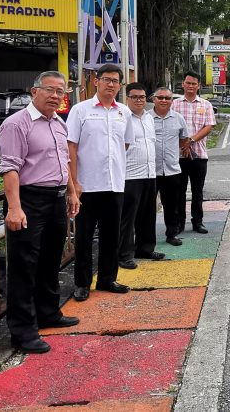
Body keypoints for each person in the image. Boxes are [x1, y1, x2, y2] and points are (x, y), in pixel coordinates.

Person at [0, 70, 81, 354]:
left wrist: (70, 191)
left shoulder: (58, 123)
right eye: (50, 90)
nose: (56, 96)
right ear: (34, 91)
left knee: (49, 260)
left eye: (61, 92)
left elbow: (64, 162)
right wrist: (15, 207)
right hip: (29, 200)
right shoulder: (16, 124)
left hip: (56, 198)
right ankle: (22, 331)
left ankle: (49, 313)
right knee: (24, 266)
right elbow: (9, 167)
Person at [67, 64, 134, 301]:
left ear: (119, 85)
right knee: (84, 236)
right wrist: (74, 182)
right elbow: (71, 147)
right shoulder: (81, 110)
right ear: (96, 81)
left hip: (114, 184)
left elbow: (125, 144)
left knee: (111, 235)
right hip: (86, 185)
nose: (111, 85)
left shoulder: (123, 113)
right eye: (106, 80)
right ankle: (82, 283)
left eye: (116, 81)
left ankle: (107, 279)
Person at [119, 82, 166, 268]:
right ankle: (124, 254)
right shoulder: (122, 117)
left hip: (149, 173)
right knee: (128, 218)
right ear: (127, 98)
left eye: (142, 97)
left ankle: (145, 248)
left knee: (148, 214)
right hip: (129, 175)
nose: (139, 100)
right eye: (135, 97)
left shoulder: (148, 118)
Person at [171, 72, 216, 233]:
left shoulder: (205, 105)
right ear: (183, 84)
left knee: (197, 191)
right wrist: (182, 143)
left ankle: (197, 222)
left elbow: (209, 126)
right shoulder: (174, 105)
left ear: (198, 86)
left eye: (193, 83)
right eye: (188, 83)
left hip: (199, 155)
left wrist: (190, 140)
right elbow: (169, 127)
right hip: (178, 156)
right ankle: (179, 223)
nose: (190, 86)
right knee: (179, 192)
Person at [151, 86, 190, 245]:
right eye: (160, 97)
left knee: (172, 206)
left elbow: (184, 139)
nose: (164, 101)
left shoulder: (178, 118)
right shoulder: (146, 118)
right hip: (150, 171)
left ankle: (171, 234)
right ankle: (145, 238)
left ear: (172, 101)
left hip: (172, 170)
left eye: (167, 98)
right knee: (146, 208)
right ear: (154, 99)